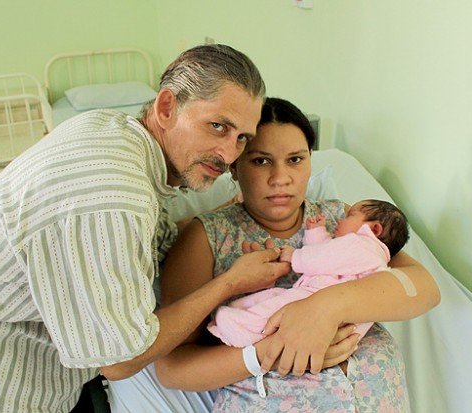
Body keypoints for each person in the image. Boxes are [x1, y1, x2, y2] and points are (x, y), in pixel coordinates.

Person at [0, 44, 295, 413]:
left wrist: (224, 218)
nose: (229, 155)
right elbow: (120, 360)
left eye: (242, 138)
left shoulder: (113, 133)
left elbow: (146, 240)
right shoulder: (110, 191)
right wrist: (227, 285)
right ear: (167, 106)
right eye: (218, 127)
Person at [153, 97, 441, 412]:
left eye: (295, 159)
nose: (281, 178)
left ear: (310, 160)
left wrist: (325, 307)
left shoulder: (342, 219)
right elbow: (172, 368)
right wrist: (269, 351)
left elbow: (423, 288)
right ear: (234, 166)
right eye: (261, 161)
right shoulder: (206, 238)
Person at [207, 199, 410, 348]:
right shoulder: (355, 251)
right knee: (273, 298)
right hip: (317, 295)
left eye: (350, 216)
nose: (341, 218)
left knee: (276, 306)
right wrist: (316, 232)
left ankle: (242, 333)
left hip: (319, 300)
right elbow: (328, 256)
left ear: (374, 229)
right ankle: (231, 317)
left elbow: (324, 258)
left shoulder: (365, 247)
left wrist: (294, 256)